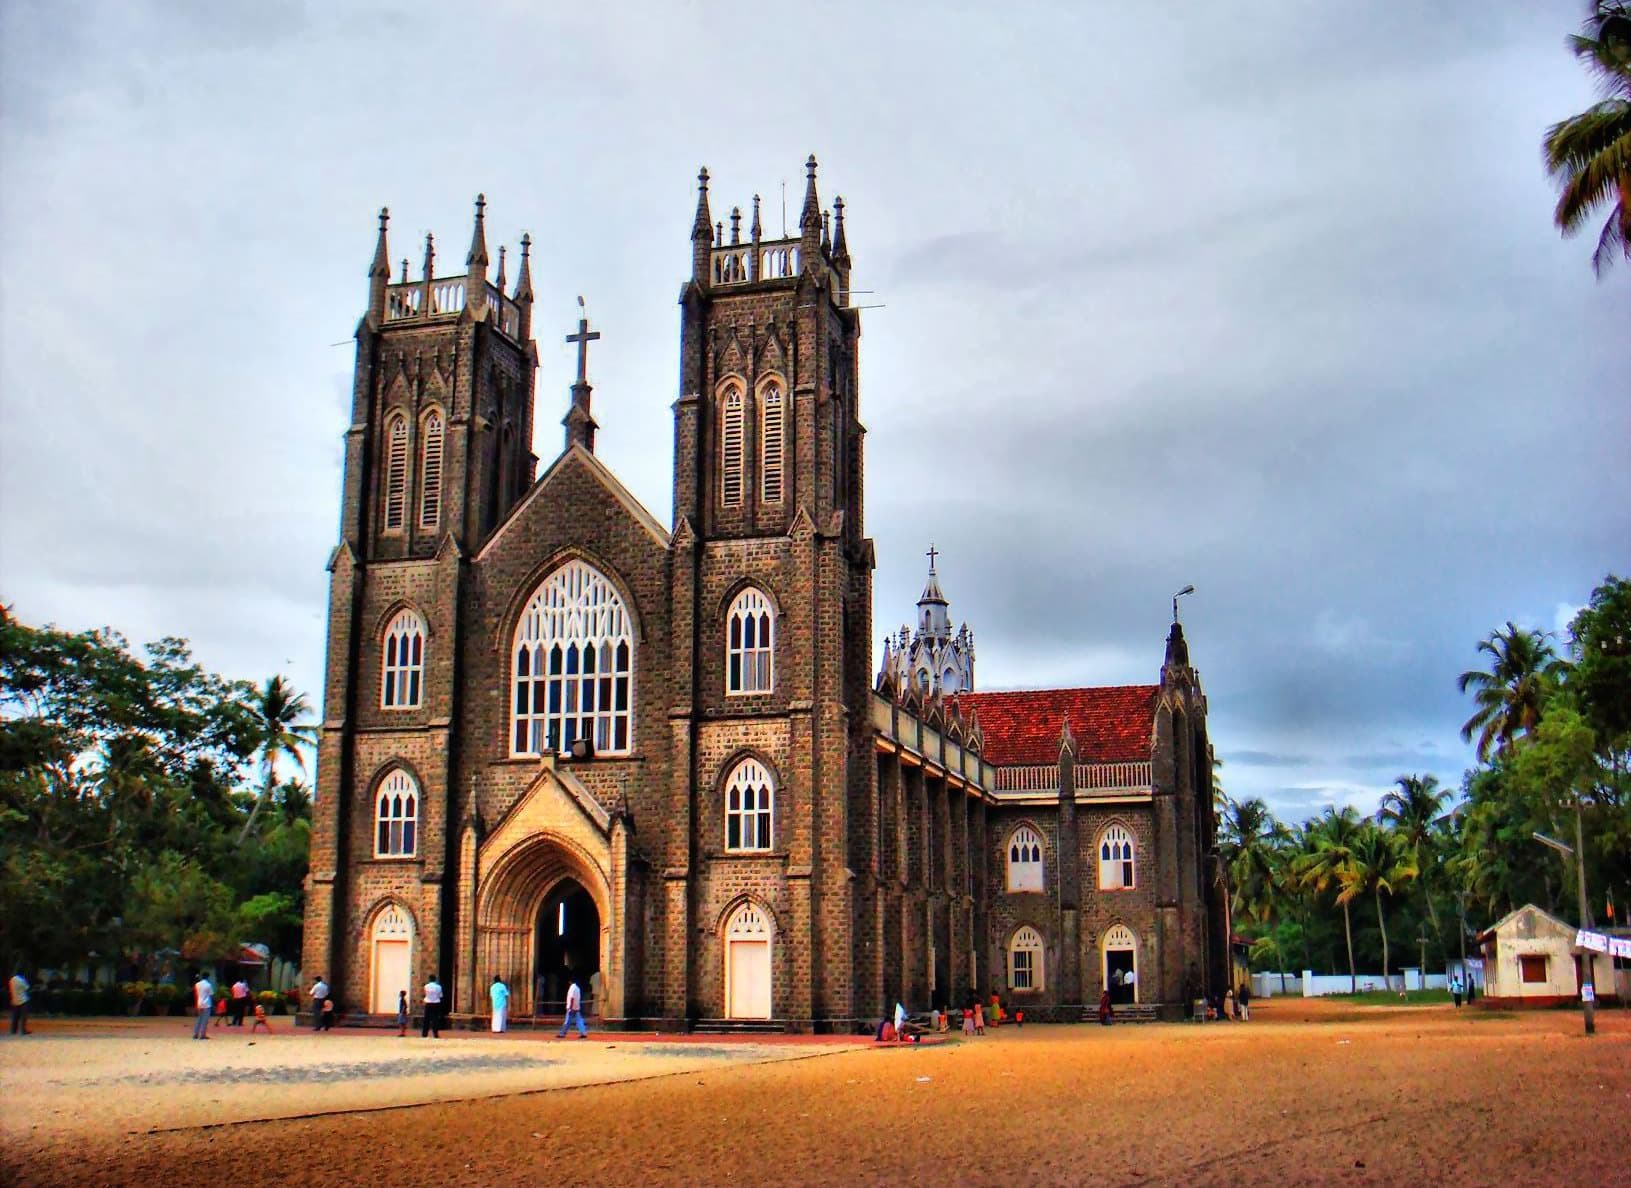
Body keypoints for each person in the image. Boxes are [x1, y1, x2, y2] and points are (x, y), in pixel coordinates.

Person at [192, 972, 214, 1040]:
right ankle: (202, 1035)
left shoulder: (197, 984)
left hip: (199, 1003)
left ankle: (195, 1034)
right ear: (208, 977)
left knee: (199, 1019)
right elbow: (211, 994)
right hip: (207, 1003)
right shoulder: (208, 985)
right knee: (205, 1020)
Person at [9, 969, 30, 1036]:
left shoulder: (11, 980)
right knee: (24, 1016)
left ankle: (13, 1030)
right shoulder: (21, 980)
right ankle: (23, 1030)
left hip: (15, 1000)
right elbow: (26, 988)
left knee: (15, 1016)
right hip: (23, 999)